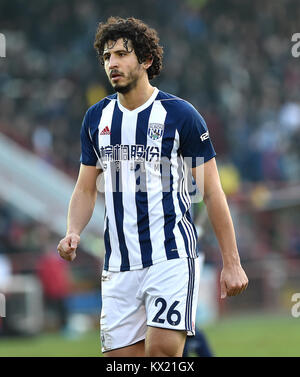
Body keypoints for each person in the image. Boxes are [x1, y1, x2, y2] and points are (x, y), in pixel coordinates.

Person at [57, 16, 248, 357]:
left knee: (161, 353)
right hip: (117, 264)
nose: (111, 63)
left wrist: (232, 262)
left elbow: (213, 191)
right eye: (106, 57)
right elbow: (86, 188)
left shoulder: (181, 116)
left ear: (146, 60)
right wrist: (73, 229)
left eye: (120, 54)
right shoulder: (95, 119)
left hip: (170, 255)